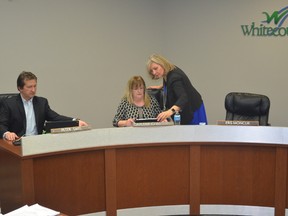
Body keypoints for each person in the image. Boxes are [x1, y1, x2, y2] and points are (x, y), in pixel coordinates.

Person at [0, 71, 88, 141]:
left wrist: (75, 121)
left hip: (38, 142)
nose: (33, 90)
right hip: (17, 142)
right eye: (29, 87)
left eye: (35, 86)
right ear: (19, 88)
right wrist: (7, 133)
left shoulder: (41, 102)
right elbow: (1, 125)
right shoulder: (9, 103)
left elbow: (56, 117)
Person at [146, 54, 207, 125]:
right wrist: (162, 86)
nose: (154, 73)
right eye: (151, 71)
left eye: (155, 68)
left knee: (197, 134)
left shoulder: (175, 77)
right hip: (187, 108)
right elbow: (173, 84)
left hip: (193, 109)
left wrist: (169, 112)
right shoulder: (168, 72)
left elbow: (183, 98)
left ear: (162, 64)